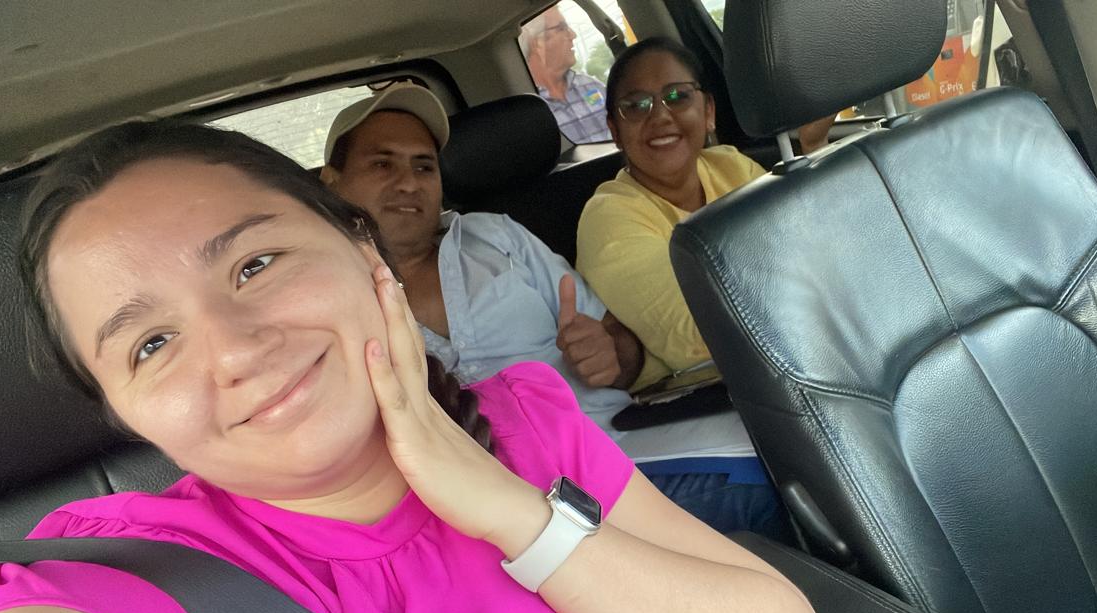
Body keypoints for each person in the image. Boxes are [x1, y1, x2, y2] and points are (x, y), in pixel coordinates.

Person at [0, 120, 839, 613]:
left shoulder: (525, 427)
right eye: (150, 345)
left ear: (362, 251)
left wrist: (512, 511)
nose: (234, 351)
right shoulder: (117, 582)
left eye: (255, 264)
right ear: (125, 414)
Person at [320, 84, 789, 539]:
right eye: (382, 163)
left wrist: (612, 354)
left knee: (788, 454)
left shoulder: (495, 238)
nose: (408, 183)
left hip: (613, 449)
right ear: (331, 181)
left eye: (424, 167)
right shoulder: (323, 302)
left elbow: (620, 351)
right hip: (490, 510)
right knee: (772, 491)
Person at [575, 38, 828, 388]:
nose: (659, 116)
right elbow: (701, 334)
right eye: (636, 105)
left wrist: (814, 149)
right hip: (701, 394)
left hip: (796, 357)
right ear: (615, 131)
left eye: (677, 96)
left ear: (708, 112)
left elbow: (814, 243)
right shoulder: (608, 218)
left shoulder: (730, 166)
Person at [519, 4, 612, 143]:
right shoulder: (527, 111)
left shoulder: (591, 86)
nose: (573, 35)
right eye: (561, 28)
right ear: (536, 42)